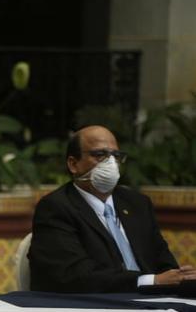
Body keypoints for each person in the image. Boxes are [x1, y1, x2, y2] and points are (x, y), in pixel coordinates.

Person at [28, 125, 196, 293]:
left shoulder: (137, 203)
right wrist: (149, 281)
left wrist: (181, 277)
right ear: (73, 164)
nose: (111, 163)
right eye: (100, 155)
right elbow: (75, 275)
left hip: (150, 302)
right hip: (95, 305)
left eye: (116, 156)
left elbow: (163, 261)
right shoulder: (56, 207)